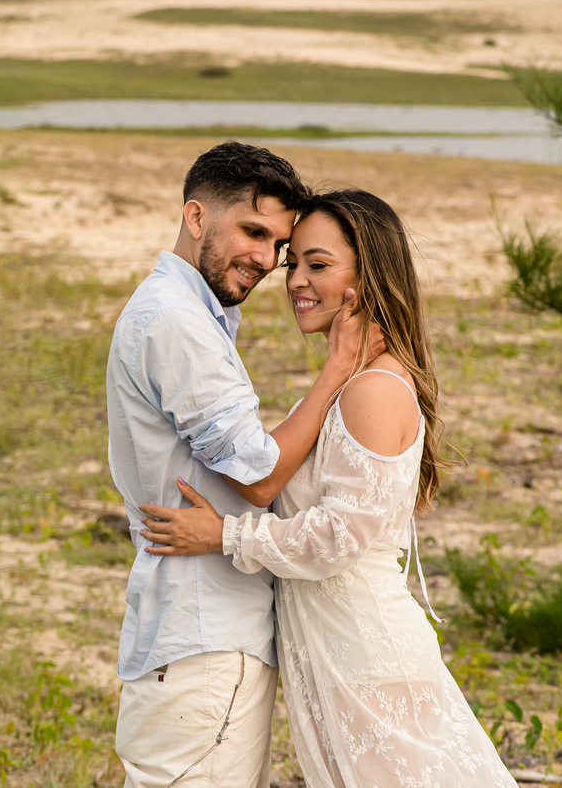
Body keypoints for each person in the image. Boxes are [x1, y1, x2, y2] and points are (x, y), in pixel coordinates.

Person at [137, 190, 517, 787]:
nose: (295, 282)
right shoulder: (349, 382)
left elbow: (339, 537)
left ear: (365, 278)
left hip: (366, 654)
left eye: (318, 265)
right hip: (334, 653)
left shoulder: (374, 390)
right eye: (295, 265)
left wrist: (224, 534)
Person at [107, 144, 382, 788]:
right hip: (206, 635)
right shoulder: (176, 322)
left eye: (278, 245)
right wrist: (337, 369)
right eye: (252, 231)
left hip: (199, 633)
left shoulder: (189, 315)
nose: (266, 260)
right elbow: (258, 477)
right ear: (196, 216)